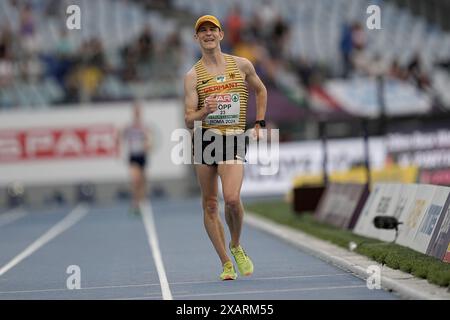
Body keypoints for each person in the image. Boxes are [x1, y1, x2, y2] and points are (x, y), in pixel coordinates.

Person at [184, 15, 267, 280]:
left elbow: (261, 90)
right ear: (197, 38)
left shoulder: (242, 65)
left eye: (212, 29)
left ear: (221, 35)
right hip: (206, 140)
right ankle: (225, 263)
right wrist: (202, 111)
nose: (208, 34)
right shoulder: (192, 76)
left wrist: (259, 123)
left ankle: (236, 244)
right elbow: (188, 119)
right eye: (202, 31)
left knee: (231, 199)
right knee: (210, 205)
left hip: (232, 138)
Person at [123, 103, 152, 215]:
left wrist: (148, 145)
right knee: (135, 180)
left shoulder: (144, 126)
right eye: (135, 111)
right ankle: (135, 203)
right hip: (133, 156)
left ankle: (140, 201)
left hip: (142, 155)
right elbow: (121, 136)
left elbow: (149, 140)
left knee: (142, 181)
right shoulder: (129, 127)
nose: (137, 113)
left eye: (138, 112)